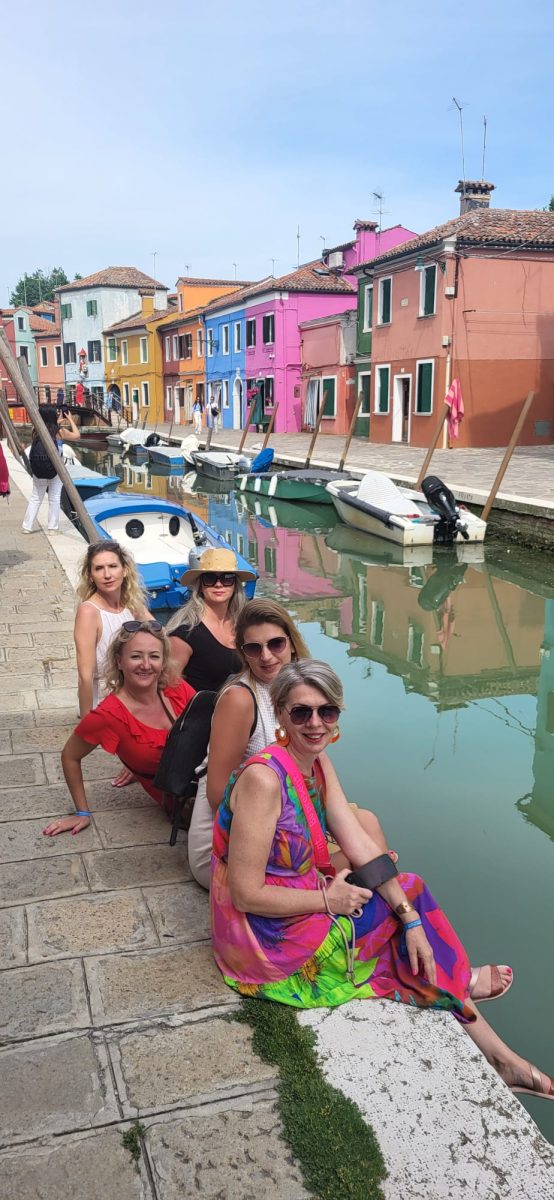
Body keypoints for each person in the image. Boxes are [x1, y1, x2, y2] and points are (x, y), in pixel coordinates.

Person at [211, 659, 554, 1101]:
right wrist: (329, 902)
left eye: (326, 711)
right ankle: (490, 1036)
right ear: (280, 714)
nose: (315, 723)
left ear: (338, 714)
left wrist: (411, 919)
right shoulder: (263, 779)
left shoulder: (317, 764)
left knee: (407, 894)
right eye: (301, 712)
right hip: (263, 940)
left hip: (299, 902)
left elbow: (360, 845)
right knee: (397, 924)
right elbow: (245, 894)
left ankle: (494, 1047)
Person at [187, 598, 395, 891]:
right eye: (254, 648)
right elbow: (217, 795)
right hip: (236, 837)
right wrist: (299, 825)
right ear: (243, 654)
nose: (266, 656)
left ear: (292, 644)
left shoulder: (300, 690)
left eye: (276, 644)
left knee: (368, 824)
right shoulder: (240, 699)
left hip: (285, 814)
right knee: (361, 858)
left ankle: (382, 903)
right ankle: (359, 906)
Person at [44, 621, 195, 838]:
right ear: (119, 661)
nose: (146, 665)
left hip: (216, 777)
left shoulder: (176, 687)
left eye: (154, 656)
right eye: (136, 656)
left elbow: (214, 725)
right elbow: (70, 756)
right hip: (188, 801)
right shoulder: (109, 715)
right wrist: (82, 812)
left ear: (163, 661)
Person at [74, 539, 151, 716]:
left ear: (125, 570)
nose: (107, 575)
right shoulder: (89, 612)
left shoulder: (130, 604)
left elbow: (161, 634)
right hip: (106, 705)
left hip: (135, 699)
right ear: (90, 576)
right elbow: (85, 676)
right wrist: (87, 722)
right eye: (99, 568)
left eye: (113, 566)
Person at [166, 548, 255, 692]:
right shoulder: (184, 634)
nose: (218, 584)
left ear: (235, 585)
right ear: (200, 585)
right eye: (209, 578)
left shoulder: (245, 625)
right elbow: (168, 688)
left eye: (227, 578)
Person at [22, 406, 80, 534]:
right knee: (54, 497)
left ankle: (27, 527)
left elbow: (47, 426)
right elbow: (77, 436)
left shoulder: (35, 430)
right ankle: (52, 528)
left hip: (39, 469)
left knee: (36, 497)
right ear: (53, 416)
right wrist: (70, 419)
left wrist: (57, 421)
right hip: (55, 469)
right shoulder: (59, 432)